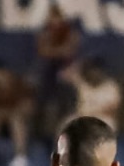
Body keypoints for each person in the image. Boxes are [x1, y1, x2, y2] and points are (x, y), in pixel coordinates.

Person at [34, 4, 80, 149]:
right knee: (45, 107)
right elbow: (44, 51)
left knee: (66, 110)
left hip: (66, 76)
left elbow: (69, 50)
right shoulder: (45, 34)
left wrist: (56, 51)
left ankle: (63, 142)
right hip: (48, 75)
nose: (55, 22)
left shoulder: (71, 33)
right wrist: (56, 51)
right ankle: (41, 137)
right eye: (52, 18)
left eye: (57, 18)